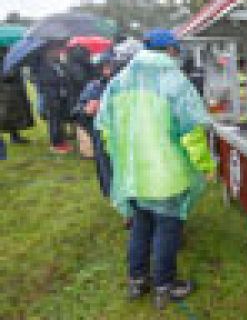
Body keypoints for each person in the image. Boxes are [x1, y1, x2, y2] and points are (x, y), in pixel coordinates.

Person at [95, 29, 215, 309]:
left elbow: (105, 130)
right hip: (165, 175)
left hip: (132, 173)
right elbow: (191, 132)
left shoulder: (119, 81)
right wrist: (205, 165)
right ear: (170, 50)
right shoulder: (174, 81)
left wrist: (123, 163)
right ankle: (165, 284)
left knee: (140, 225)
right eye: (176, 49)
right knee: (166, 228)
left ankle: (137, 280)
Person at [73, 53, 117, 198]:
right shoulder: (94, 87)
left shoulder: (129, 86)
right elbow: (77, 112)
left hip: (125, 135)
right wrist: (86, 109)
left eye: (111, 66)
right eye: (105, 67)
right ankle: (119, 204)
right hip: (103, 135)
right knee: (107, 168)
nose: (108, 70)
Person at [38, 42, 72, 153]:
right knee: (54, 120)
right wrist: (59, 79)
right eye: (55, 51)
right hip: (51, 96)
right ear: (48, 53)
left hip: (60, 95)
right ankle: (55, 144)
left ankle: (61, 141)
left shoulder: (57, 64)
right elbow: (45, 82)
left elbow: (64, 76)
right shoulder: (43, 66)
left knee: (59, 119)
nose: (58, 52)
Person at [0, 46, 34, 144]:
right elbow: (7, 73)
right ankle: (14, 137)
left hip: (11, 85)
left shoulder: (9, 53)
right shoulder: (6, 54)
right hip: (8, 86)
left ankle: (15, 136)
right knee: (8, 111)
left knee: (11, 112)